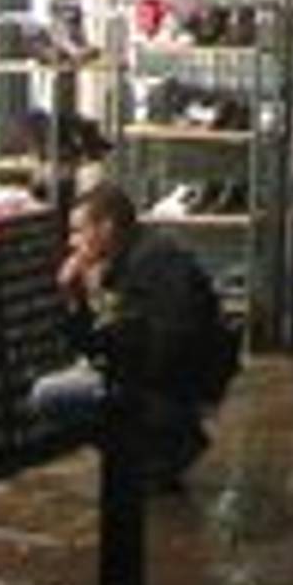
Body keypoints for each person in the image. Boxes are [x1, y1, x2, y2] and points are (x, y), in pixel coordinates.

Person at [29, 177, 235, 489]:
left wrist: (111, 361)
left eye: (78, 231)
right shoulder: (126, 261)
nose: (72, 242)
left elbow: (154, 347)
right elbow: (98, 346)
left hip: (171, 383)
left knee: (47, 395)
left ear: (107, 228)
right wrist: (76, 299)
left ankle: (162, 446)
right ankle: (151, 450)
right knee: (72, 380)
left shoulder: (152, 264)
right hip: (154, 375)